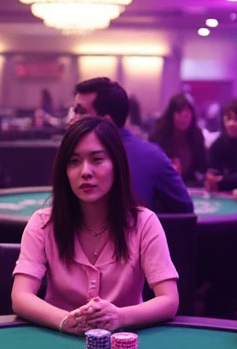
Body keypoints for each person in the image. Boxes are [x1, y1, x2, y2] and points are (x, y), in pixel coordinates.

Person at [12, 116, 180, 334]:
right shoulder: (43, 223)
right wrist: (66, 321)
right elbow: (20, 297)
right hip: (56, 342)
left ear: (116, 165)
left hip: (124, 343)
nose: (85, 172)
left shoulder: (144, 223)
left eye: (97, 159)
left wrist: (120, 316)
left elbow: (169, 299)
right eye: (74, 161)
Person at [71, 77, 193, 214]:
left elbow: (184, 211)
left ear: (106, 122)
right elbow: (185, 210)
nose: (71, 119)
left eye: (80, 112)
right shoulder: (153, 155)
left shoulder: (151, 157)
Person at [149, 93, 208, 187]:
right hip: (163, 183)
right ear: (171, 115)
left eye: (187, 114)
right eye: (179, 113)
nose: (183, 118)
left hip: (190, 185)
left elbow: (202, 168)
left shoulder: (197, 135)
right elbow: (151, 166)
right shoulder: (158, 135)